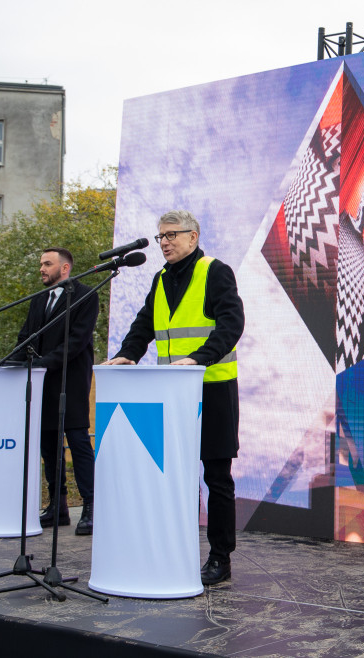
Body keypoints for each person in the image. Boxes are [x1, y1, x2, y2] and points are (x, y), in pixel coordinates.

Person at [102, 210, 244, 586]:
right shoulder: (161, 278)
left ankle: (220, 558)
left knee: (217, 478)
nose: (163, 241)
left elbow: (232, 324)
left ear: (193, 237)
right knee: (178, 478)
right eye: (160, 235)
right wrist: (128, 352)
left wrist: (199, 359)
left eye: (171, 235)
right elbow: (144, 322)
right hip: (172, 393)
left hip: (212, 388)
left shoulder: (215, 271)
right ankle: (176, 548)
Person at [15, 247, 99, 536]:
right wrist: (12, 361)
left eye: (47, 264)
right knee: (49, 444)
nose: (42, 268)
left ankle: (90, 507)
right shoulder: (38, 299)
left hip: (71, 381)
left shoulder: (87, 294)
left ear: (65, 268)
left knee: (77, 441)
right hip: (42, 382)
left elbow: (77, 341)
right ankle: (58, 507)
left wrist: (42, 363)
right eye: (40, 263)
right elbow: (26, 335)